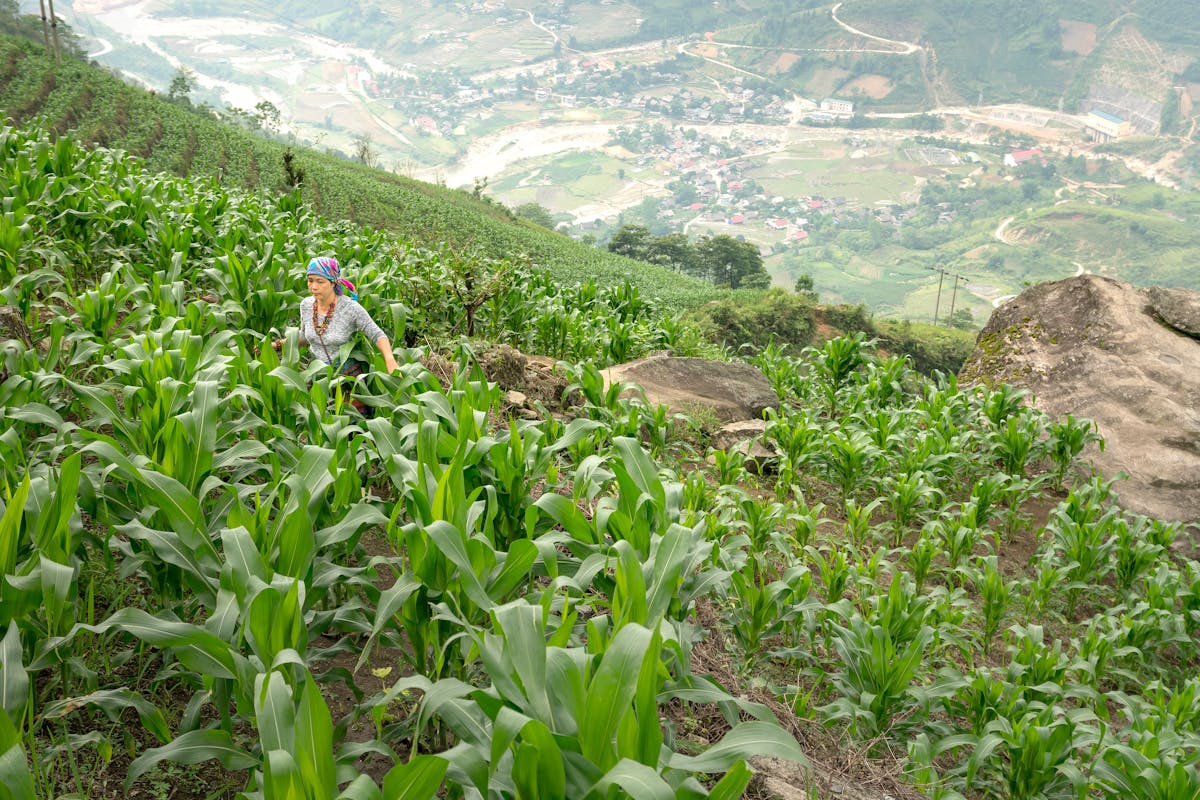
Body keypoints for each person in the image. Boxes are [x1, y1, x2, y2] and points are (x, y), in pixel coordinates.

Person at [274, 256, 399, 410]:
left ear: (333, 283)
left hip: (346, 378)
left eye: (320, 282)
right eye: (310, 280)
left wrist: (390, 360)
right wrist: (277, 345)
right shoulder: (306, 305)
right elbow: (306, 336)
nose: (313, 286)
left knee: (352, 426)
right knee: (321, 423)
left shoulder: (350, 308)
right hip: (318, 377)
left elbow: (377, 334)